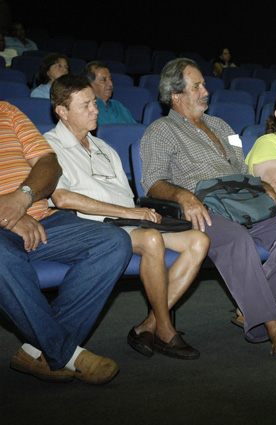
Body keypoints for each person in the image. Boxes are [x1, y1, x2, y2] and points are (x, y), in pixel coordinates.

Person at [140, 58, 276, 357]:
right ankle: (273, 327)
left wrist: (262, 186)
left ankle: (252, 304)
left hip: (241, 201)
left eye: (204, 84)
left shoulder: (221, 125)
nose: (206, 90)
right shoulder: (160, 130)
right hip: (201, 208)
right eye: (197, 86)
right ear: (176, 95)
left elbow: (242, 167)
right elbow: (152, 182)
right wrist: (183, 196)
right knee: (239, 242)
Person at [45, 74, 210, 360]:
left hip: (131, 221)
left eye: (94, 103)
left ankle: (148, 325)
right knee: (151, 240)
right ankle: (166, 329)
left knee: (199, 240)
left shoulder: (105, 149)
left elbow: (126, 196)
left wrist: (139, 213)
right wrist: (129, 213)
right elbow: (62, 198)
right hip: (94, 227)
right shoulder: (48, 148)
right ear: (62, 111)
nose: (95, 110)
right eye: (85, 106)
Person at [0, 100, 132, 384]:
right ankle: (67, 354)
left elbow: (48, 163)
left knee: (114, 242)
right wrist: (7, 215)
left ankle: (37, 350)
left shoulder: (7, 111)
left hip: (43, 219)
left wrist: (22, 199)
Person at [79, 61, 136, 125]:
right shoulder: (86, 109)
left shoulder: (118, 106)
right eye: (103, 80)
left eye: (110, 79)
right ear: (89, 84)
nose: (110, 84)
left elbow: (137, 131)